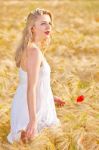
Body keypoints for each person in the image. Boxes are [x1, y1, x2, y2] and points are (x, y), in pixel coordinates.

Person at [7, 8, 65, 144]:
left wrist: (51, 97)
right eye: (43, 23)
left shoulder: (31, 48)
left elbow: (32, 83)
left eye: (49, 23)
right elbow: (30, 88)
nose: (48, 26)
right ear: (32, 28)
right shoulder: (33, 52)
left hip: (33, 104)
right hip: (30, 110)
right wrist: (33, 121)